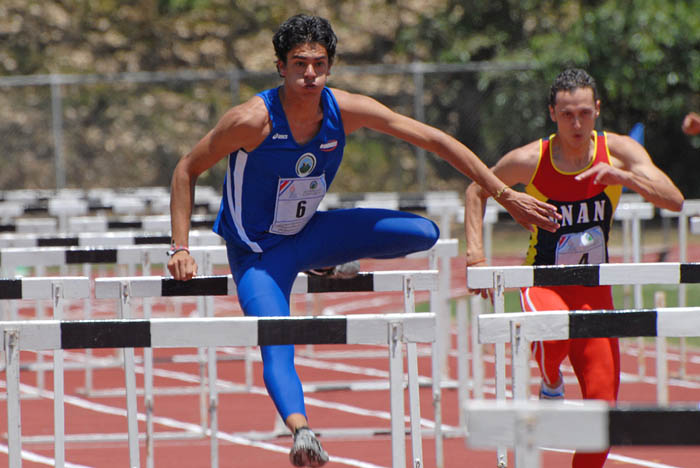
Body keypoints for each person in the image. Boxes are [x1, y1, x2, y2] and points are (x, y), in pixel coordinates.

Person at [167, 14, 560, 467]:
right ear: (280, 66)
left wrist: (504, 194)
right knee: (276, 337)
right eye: (299, 64)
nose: (309, 74)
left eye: (318, 63)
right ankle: (303, 432)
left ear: (330, 65)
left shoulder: (345, 110)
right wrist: (180, 246)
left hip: (309, 236)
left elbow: (432, 140)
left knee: (423, 232)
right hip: (258, 255)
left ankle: (324, 263)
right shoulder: (252, 121)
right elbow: (186, 168)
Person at [465, 68, 684, 468]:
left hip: (595, 292)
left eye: (584, 113)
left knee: (603, 418)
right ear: (552, 113)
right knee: (553, 326)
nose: (577, 123)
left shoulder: (618, 152)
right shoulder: (532, 159)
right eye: (567, 115)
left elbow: (674, 199)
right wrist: (476, 256)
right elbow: (476, 189)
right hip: (542, 282)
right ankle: (550, 381)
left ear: (597, 110)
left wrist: (623, 176)